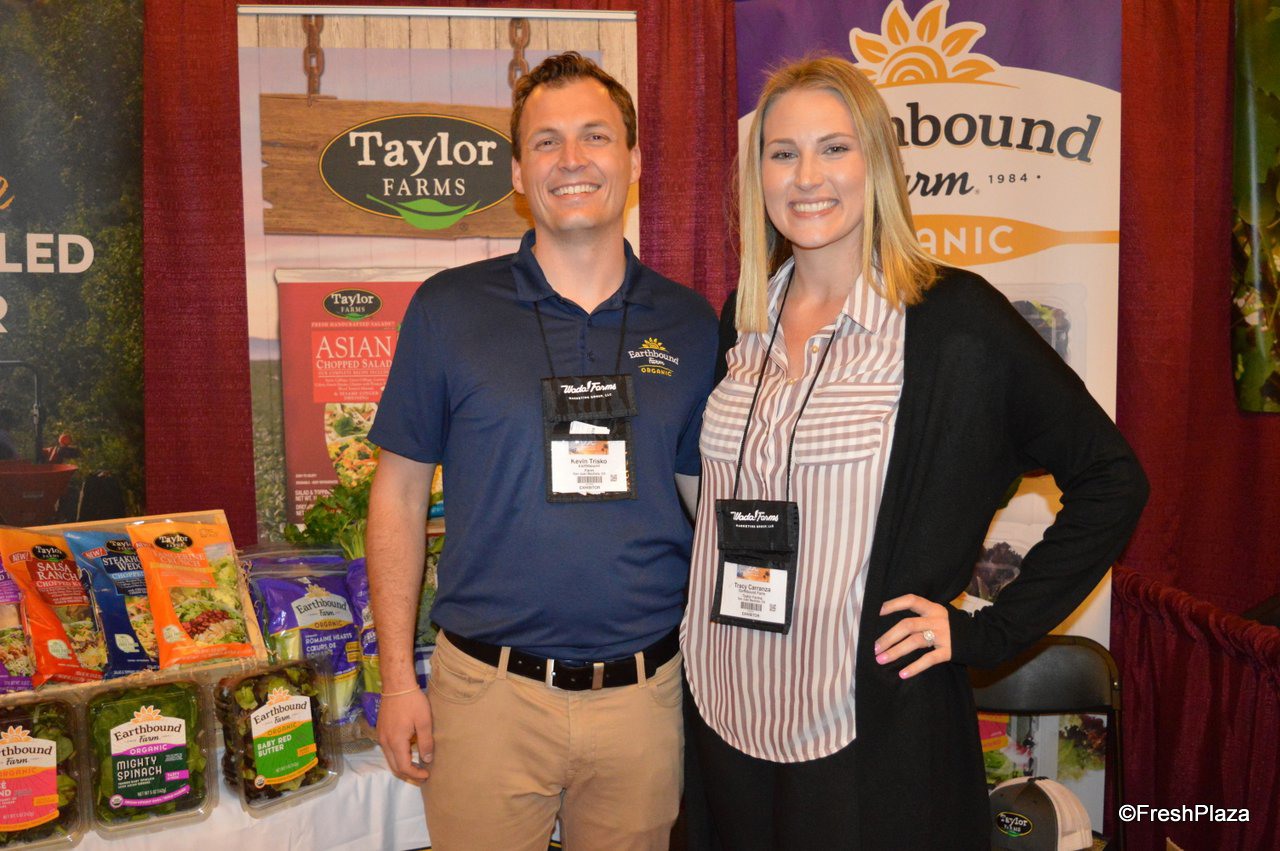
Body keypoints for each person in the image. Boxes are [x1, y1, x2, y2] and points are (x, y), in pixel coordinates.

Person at [680, 56, 1148, 849]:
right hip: (726, 709)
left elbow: (1113, 477)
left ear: (878, 164)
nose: (807, 176)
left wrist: (990, 632)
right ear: (757, 175)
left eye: (834, 148)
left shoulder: (953, 321)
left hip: (863, 737)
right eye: (783, 152)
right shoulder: (744, 316)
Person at [366, 52, 717, 850]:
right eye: (546, 141)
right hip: (486, 696)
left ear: (633, 159)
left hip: (644, 698)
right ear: (519, 172)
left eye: (595, 135)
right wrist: (396, 680)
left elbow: (709, 501)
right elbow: (398, 495)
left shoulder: (691, 323)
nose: (572, 159)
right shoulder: (449, 309)